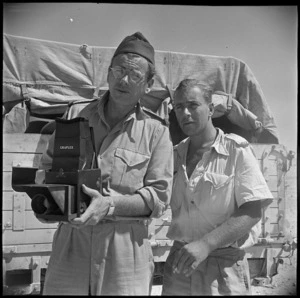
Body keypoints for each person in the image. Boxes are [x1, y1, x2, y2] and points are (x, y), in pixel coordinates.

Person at [35, 32, 174, 295]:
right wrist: (50, 199)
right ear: (108, 73)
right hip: (71, 248)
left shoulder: (157, 132)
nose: (123, 80)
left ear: (148, 83)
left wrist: (109, 204)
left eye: (134, 75)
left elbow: (158, 198)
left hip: (124, 255)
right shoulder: (76, 115)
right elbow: (48, 169)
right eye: (119, 70)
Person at [162, 79, 273, 296]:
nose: (185, 113)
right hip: (180, 265)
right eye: (179, 107)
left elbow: (252, 210)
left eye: (193, 105)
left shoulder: (236, 150)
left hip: (223, 269)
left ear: (211, 109)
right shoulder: (173, 156)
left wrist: (206, 244)